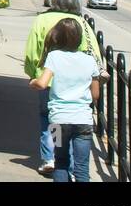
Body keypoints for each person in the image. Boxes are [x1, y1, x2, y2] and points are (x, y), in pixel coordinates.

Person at [23, 0, 104, 175]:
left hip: (49, 84)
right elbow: (96, 57)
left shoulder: (42, 21)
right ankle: (74, 166)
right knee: (80, 152)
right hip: (79, 101)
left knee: (48, 120)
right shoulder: (81, 23)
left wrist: (34, 76)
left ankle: (49, 157)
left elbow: (31, 51)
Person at [29, 17, 100, 182]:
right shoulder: (90, 61)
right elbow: (95, 95)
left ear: (57, 37)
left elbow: (42, 83)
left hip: (58, 122)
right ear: (80, 38)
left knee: (60, 161)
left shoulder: (54, 56)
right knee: (82, 168)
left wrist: (33, 82)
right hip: (83, 122)